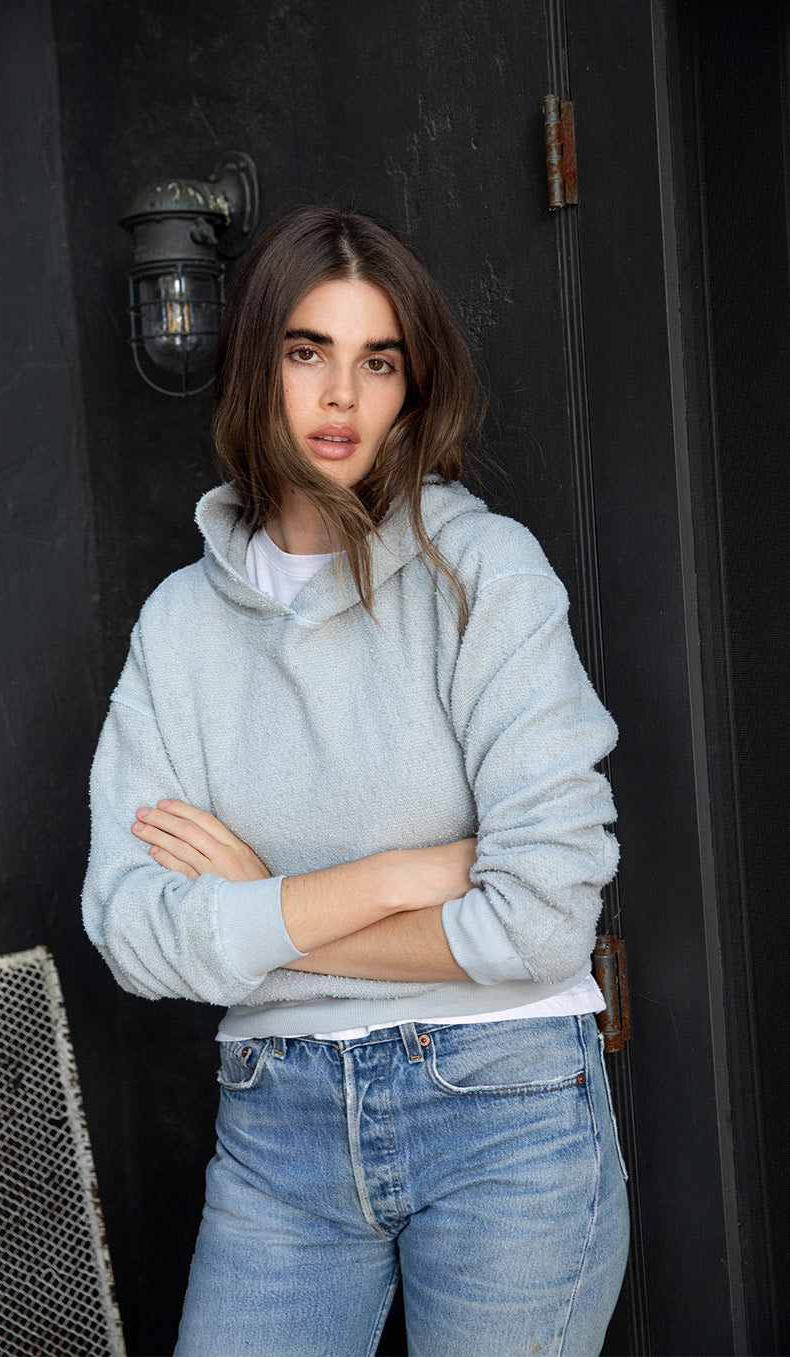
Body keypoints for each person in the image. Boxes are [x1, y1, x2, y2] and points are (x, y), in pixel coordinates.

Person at [82, 206, 629, 1357]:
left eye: (377, 361)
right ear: (255, 369)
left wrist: (265, 910)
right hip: (277, 1125)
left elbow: (541, 916)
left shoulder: (483, 573)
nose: (341, 396)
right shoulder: (180, 628)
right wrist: (396, 878)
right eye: (306, 352)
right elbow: (132, 927)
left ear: (411, 387)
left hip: (503, 1103)